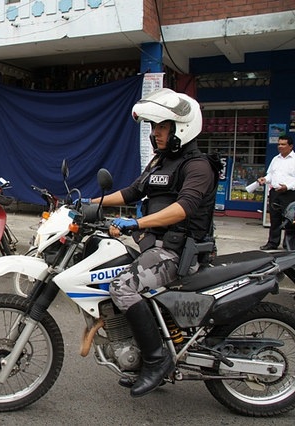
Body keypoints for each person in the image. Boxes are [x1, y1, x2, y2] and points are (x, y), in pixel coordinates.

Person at [93, 88, 218, 397]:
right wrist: (89, 204)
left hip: (179, 252)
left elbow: (183, 208)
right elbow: (132, 192)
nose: (155, 133)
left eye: (162, 126)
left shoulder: (198, 166)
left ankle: (156, 361)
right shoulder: (159, 163)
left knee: (122, 286)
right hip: (156, 245)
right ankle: (139, 347)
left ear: (182, 128)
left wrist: (136, 222)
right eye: (153, 126)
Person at [256, 134, 295, 250]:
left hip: (289, 193)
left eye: (283, 144)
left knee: (290, 220)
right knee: (274, 218)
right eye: (279, 144)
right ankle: (273, 243)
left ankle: (288, 244)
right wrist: (265, 179)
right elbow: (271, 175)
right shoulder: (275, 159)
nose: (280, 146)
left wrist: (287, 186)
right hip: (275, 193)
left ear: (290, 146)